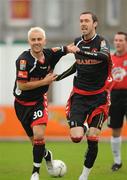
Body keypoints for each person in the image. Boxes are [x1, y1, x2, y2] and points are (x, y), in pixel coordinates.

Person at [13, 27, 78, 180]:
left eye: (39, 39)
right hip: (21, 104)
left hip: (38, 102)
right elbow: (22, 85)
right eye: (33, 39)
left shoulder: (51, 53)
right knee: (35, 143)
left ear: (44, 40)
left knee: (39, 135)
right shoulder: (23, 60)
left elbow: (69, 48)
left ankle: (35, 173)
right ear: (29, 41)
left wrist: (84, 49)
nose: (36, 42)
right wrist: (45, 81)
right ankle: (48, 156)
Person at [56, 12, 112, 180]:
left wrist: (81, 51)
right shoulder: (77, 42)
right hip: (80, 97)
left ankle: (84, 175)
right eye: (81, 21)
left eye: (87, 21)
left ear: (95, 23)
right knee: (76, 137)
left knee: (93, 138)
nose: (83, 24)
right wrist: (59, 77)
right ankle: (84, 128)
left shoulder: (101, 42)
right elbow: (77, 65)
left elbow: (103, 56)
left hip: (99, 97)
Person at [108, 32, 127, 171]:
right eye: (116, 40)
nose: (118, 42)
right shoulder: (109, 59)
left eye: (121, 40)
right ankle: (117, 161)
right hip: (114, 96)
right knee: (115, 129)